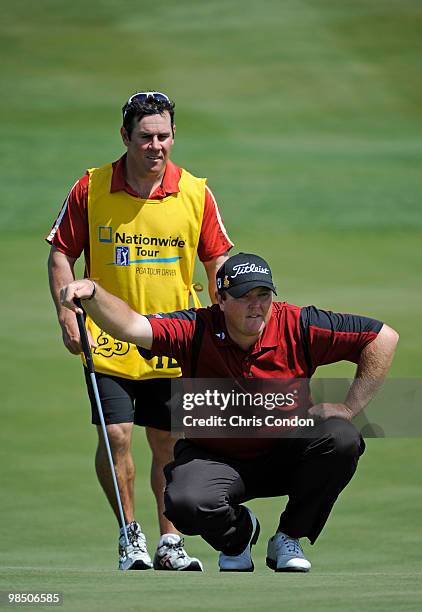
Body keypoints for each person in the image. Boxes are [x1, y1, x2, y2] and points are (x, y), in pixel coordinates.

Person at [60, 252, 399, 572]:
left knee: (342, 438)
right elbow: (130, 326)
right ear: (220, 300)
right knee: (184, 503)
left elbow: (383, 337)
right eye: (243, 296)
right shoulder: (196, 328)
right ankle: (238, 537)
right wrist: (92, 292)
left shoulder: (297, 324)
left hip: (285, 453)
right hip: (215, 459)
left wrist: (349, 406)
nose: (257, 306)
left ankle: (288, 538)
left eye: (263, 294)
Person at [47, 91, 233, 571]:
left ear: (173, 137)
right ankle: (130, 533)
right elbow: (62, 253)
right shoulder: (90, 188)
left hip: (173, 338)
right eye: (146, 137)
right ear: (125, 136)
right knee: (116, 435)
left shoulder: (194, 192)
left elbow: (218, 262)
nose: (156, 146)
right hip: (107, 337)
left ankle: (170, 541)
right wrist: (68, 316)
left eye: (164, 136)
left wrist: (225, 325)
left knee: (166, 443)